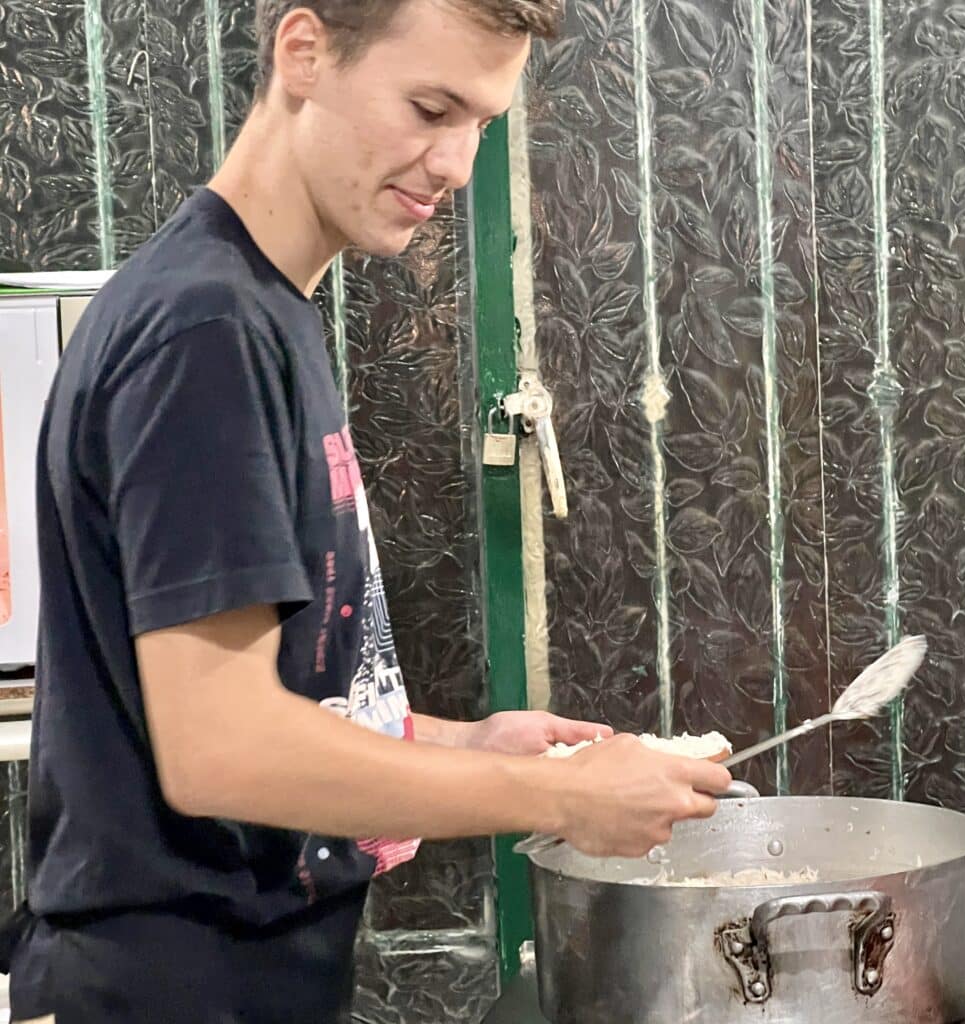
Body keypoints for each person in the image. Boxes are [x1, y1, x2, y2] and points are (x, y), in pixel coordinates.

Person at [4, 1, 732, 1021]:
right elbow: (223, 745)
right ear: (303, 51)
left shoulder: (264, 310)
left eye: (480, 122)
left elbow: (262, 697)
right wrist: (561, 798)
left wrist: (459, 745)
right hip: (170, 985)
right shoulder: (204, 333)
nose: (454, 164)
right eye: (430, 108)